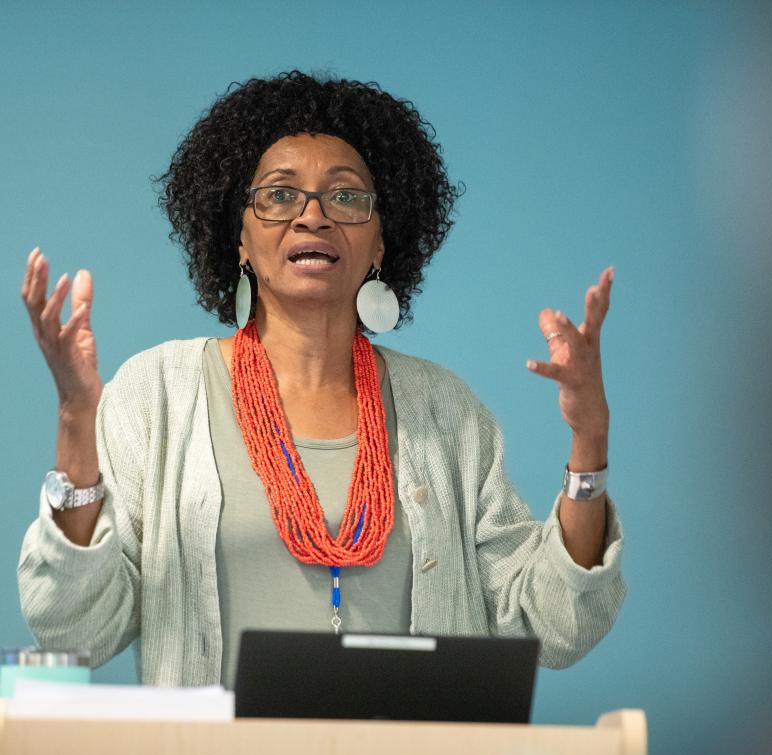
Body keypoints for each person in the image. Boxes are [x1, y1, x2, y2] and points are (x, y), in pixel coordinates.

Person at [18, 71, 625, 689]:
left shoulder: (445, 412)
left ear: (381, 242)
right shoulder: (158, 394)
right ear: (240, 242)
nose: (313, 216)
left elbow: (552, 623)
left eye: (346, 197)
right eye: (279, 196)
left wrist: (590, 443)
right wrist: (76, 417)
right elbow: (77, 632)